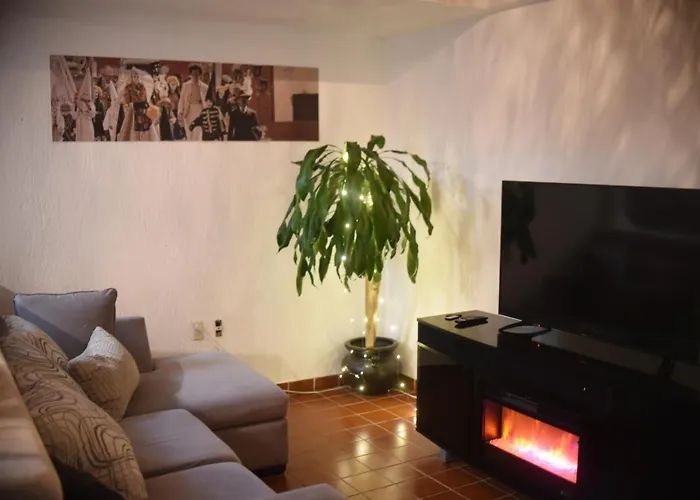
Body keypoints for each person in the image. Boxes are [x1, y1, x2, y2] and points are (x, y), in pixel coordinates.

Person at [188, 76, 225, 141]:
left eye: (210, 101)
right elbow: (199, 119)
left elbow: (220, 121)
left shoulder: (216, 110)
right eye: (207, 101)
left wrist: (222, 132)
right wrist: (193, 125)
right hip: (206, 135)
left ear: (213, 102)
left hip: (215, 134)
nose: (209, 103)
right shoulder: (203, 111)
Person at [178, 64, 208, 141]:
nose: (195, 76)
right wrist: (180, 112)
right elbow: (181, 100)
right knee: (189, 134)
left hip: (199, 111)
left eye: (197, 74)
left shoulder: (205, 87)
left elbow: (207, 101)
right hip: (188, 111)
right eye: (193, 74)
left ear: (200, 74)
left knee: (198, 134)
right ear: (191, 74)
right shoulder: (185, 85)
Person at [75, 71, 95, 142]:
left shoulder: (90, 102)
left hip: (87, 122)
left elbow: (92, 114)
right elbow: (75, 114)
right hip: (80, 123)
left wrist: (87, 104)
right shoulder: (78, 101)